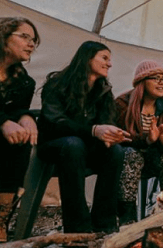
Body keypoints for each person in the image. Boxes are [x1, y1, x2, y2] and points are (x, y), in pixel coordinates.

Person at [37, 41, 130, 234]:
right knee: (73, 144)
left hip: (85, 147)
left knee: (115, 151)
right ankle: (77, 227)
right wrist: (94, 130)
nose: (109, 64)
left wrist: (112, 135)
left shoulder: (103, 90)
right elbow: (55, 122)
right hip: (54, 146)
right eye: (104, 58)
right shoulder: (58, 84)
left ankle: (104, 224)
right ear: (87, 58)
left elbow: (107, 122)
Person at [115, 60, 163, 225]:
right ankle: (126, 218)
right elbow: (120, 138)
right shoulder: (123, 103)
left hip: (153, 160)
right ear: (142, 82)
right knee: (132, 155)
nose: (161, 83)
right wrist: (147, 139)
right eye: (155, 78)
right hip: (126, 159)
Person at [0, 17, 40, 242]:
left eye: (34, 40)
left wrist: (26, 117)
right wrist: (3, 121)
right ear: (3, 38)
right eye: (24, 36)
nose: (31, 43)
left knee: (22, 140)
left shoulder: (25, 82)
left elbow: (18, 111)